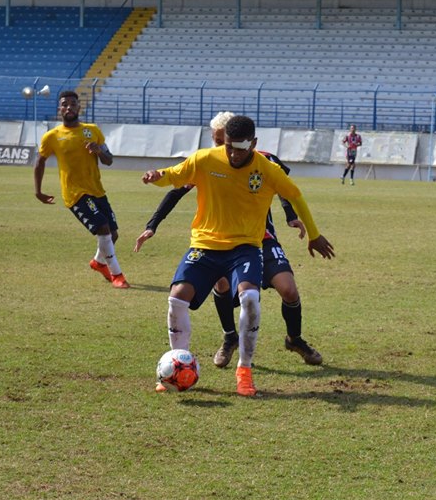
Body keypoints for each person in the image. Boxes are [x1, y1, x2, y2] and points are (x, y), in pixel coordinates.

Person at [141, 115, 334, 397]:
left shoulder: (266, 169)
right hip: (205, 244)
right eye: (229, 146)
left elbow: (294, 195)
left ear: (254, 143)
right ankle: (177, 362)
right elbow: (175, 176)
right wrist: (158, 176)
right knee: (176, 297)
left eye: (240, 148)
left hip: (246, 246)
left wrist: (314, 234)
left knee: (250, 298)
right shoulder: (206, 159)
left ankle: (244, 370)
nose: (233, 153)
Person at [33, 90, 129, 289]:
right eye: (64, 104)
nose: (69, 107)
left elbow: (109, 160)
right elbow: (39, 162)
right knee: (102, 227)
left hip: (97, 190)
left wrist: (99, 151)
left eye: (72, 104)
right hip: (75, 194)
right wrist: (38, 191)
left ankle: (98, 263)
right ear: (60, 109)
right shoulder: (52, 136)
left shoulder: (92, 130)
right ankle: (117, 274)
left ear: (79, 107)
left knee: (113, 234)